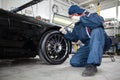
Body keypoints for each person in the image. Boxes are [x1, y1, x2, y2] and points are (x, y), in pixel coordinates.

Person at [59, 5, 112, 77]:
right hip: (89, 45)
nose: (71, 18)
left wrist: (81, 19)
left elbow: (99, 22)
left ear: (75, 14)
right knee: (74, 61)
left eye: (70, 17)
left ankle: (92, 65)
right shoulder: (77, 26)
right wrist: (66, 33)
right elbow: (75, 38)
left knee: (97, 30)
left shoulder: (92, 15)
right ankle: (92, 58)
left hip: (103, 41)